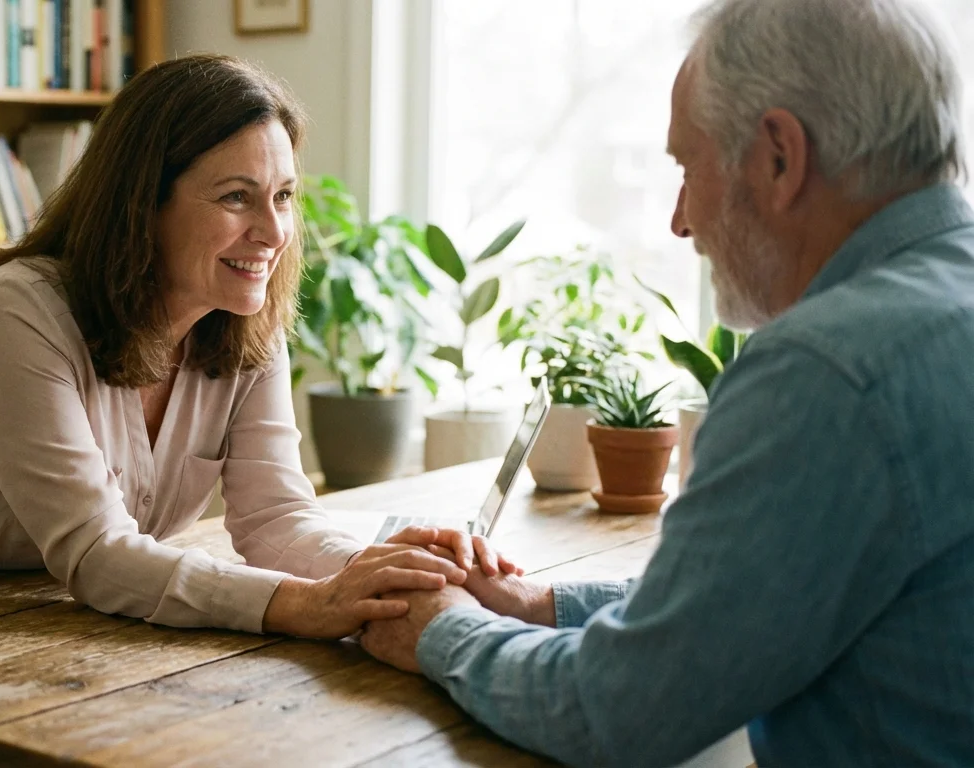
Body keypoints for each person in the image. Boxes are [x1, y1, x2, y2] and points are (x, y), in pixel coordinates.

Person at [359, 0, 974, 765]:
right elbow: (747, 608)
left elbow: (618, 710)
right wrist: (538, 604)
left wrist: (442, 629)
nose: (680, 222)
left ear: (779, 156)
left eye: (688, 167)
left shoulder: (826, 370)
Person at [0, 53, 519, 640]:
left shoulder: (244, 316)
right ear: (141, 201)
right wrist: (306, 605)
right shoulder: (19, 309)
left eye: (282, 197)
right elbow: (96, 553)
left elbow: (274, 515)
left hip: (32, 627)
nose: (273, 234)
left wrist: (379, 572)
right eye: (237, 197)